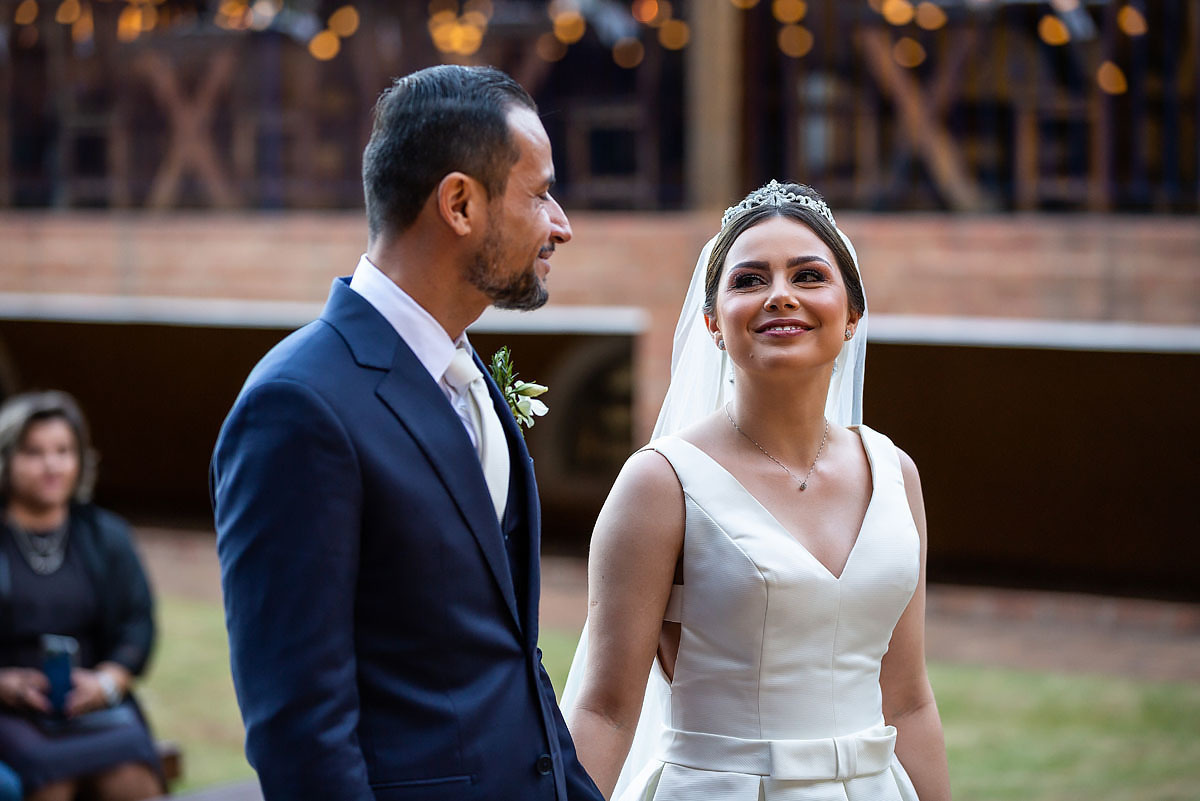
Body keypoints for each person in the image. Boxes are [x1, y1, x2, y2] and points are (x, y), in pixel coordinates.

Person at [211, 64, 603, 801]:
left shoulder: (470, 375)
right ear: (459, 203)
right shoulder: (297, 407)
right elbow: (301, 732)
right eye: (540, 193)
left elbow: (507, 660)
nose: (561, 224)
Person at [563, 181, 952, 800]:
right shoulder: (660, 483)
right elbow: (604, 710)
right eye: (749, 280)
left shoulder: (895, 474)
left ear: (852, 316)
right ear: (713, 324)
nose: (780, 295)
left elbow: (907, 700)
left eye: (808, 276)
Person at [0, 391, 163, 801]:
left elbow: (138, 624)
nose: (51, 465)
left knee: (131, 776)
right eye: (34, 452)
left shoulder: (106, 535)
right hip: (11, 710)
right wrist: (6, 684)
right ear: (6, 459)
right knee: (52, 782)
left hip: (96, 706)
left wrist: (106, 683)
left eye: (63, 451)